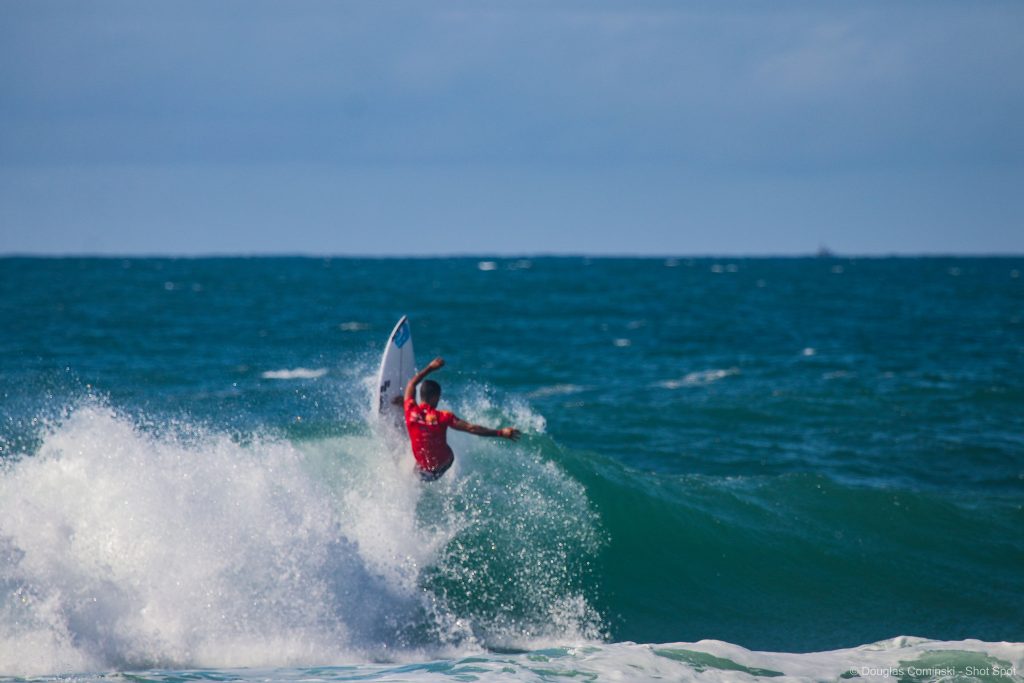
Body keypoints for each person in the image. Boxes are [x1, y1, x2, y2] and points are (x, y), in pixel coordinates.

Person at [402, 357, 520, 481]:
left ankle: (400, 402)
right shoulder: (443, 416)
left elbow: (411, 384)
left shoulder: (410, 410)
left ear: (420, 395)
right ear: (436, 397)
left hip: (425, 465)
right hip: (443, 464)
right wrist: (501, 433)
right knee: (433, 461)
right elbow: (471, 428)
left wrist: (430, 367)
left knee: (418, 469)